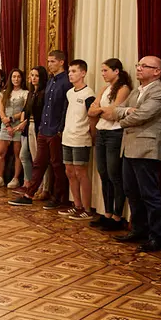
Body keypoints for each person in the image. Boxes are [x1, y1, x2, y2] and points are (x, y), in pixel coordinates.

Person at [103, 56, 161, 252]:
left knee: (149, 194)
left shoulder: (160, 92)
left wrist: (123, 119)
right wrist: (125, 112)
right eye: (138, 65)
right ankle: (138, 230)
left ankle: (157, 237)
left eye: (145, 66)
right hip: (129, 147)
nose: (139, 68)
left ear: (157, 71)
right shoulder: (137, 90)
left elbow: (141, 115)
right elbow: (117, 109)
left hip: (146, 149)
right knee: (132, 192)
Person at [9, 50, 72, 208]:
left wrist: (60, 129)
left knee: (57, 165)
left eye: (52, 61)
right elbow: (46, 106)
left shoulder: (66, 82)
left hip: (56, 129)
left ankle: (59, 198)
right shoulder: (51, 81)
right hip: (44, 128)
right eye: (49, 61)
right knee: (38, 163)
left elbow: (65, 107)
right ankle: (28, 194)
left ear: (61, 62)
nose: (49, 64)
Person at [88, 58, 132, 231]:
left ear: (116, 71)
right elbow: (92, 111)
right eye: (102, 71)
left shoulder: (123, 89)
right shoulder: (104, 89)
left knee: (115, 174)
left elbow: (114, 113)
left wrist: (100, 110)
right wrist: (100, 111)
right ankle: (106, 213)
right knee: (103, 173)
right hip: (101, 131)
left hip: (115, 133)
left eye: (105, 70)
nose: (103, 74)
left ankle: (117, 215)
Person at [57, 60, 96, 220]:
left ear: (83, 73)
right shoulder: (70, 93)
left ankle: (87, 209)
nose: (70, 74)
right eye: (69, 72)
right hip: (68, 137)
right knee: (69, 171)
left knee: (81, 172)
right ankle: (77, 205)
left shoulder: (89, 94)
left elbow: (92, 118)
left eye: (74, 71)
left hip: (81, 138)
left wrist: (92, 136)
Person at [15, 66, 51, 199]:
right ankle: (34, 185)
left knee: (40, 159)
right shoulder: (31, 93)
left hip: (39, 127)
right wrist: (23, 122)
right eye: (31, 75)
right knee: (30, 157)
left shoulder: (44, 92)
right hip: (29, 126)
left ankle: (44, 188)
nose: (33, 78)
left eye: (36, 75)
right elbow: (26, 110)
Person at [0, 68, 28, 188]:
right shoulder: (4, 93)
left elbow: (24, 110)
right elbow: (1, 111)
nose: (16, 79)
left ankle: (15, 178)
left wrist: (12, 119)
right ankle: (0, 177)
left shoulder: (25, 93)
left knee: (17, 153)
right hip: (5, 125)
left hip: (18, 125)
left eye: (18, 77)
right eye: (14, 77)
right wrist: (7, 124)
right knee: (0, 153)